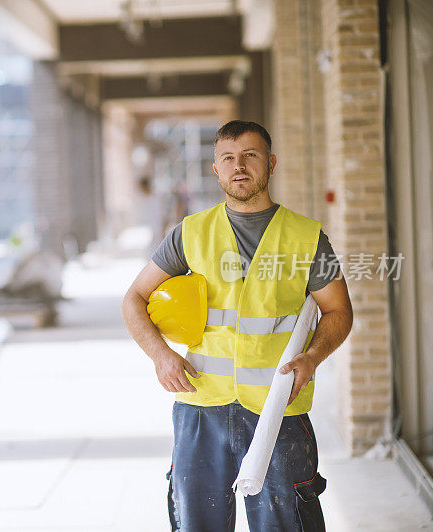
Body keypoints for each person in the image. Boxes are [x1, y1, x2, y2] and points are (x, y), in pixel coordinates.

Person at [122, 120, 354, 531]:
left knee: (287, 523)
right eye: (228, 158)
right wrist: (161, 357)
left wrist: (313, 358)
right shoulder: (190, 234)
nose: (239, 166)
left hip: (278, 407)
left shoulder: (306, 237)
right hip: (200, 408)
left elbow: (338, 311)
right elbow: (134, 299)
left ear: (271, 163)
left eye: (250, 155)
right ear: (216, 169)